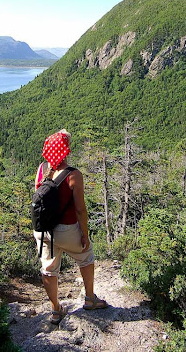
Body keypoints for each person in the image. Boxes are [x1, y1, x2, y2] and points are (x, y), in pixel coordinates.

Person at [34, 129, 108, 325]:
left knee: (48, 269)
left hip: (43, 231)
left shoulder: (41, 169)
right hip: (66, 229)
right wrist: (85, 234)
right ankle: (90, 299)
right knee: (86, 256)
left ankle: (56, 310)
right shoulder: (73, 175)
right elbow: (80, 210)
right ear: (65, 151)